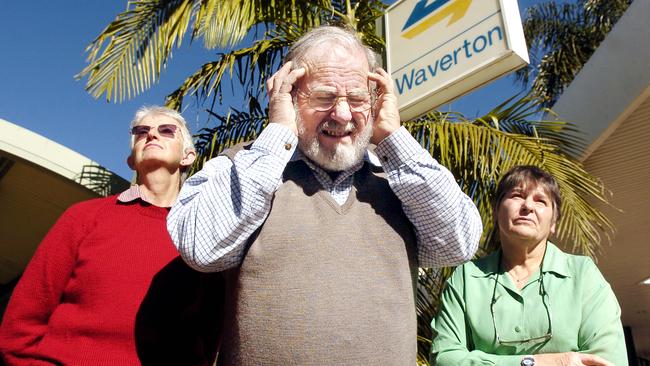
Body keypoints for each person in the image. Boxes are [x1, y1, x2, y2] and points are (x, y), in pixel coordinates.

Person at [167, 26, 483, 365]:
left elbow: (458, 243)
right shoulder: (242, 165)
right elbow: (201, 248)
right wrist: (276, 137)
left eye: (358, 99)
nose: (343, 114)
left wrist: (393, 137)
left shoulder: (401, 174)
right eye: (324, 97)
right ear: (288, 97)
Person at [0, 106, 223, 365]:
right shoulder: (84, 217)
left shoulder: (204, 233)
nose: (151, 135)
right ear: (131, 160)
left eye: (166, 130)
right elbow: (22, 322)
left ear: (188, 156)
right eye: (141, 132)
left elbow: (210, 331)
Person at [430, 165, 627, 366]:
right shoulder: (466, 278)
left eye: (540, 200)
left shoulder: (582, 274)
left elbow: (607, 361)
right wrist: (542, 362)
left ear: (553, 223)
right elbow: (445, 358)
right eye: (517, 195)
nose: (528, 206)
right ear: (497, 211)